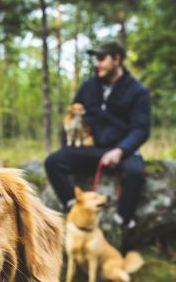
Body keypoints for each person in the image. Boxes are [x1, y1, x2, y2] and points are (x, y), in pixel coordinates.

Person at [44, 39, 151, 255]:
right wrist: (69, 147)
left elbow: (141, 129)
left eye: (102, 59)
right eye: (96, 59)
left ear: (117, 59)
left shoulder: (138, 91)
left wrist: (120, 151)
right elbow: (72, 116)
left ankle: (121, 226)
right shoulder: (88, 87)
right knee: (54, 161)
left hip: (123, 149)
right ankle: (74, 209)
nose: (97, 64)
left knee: (135, 173)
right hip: (90, 149)